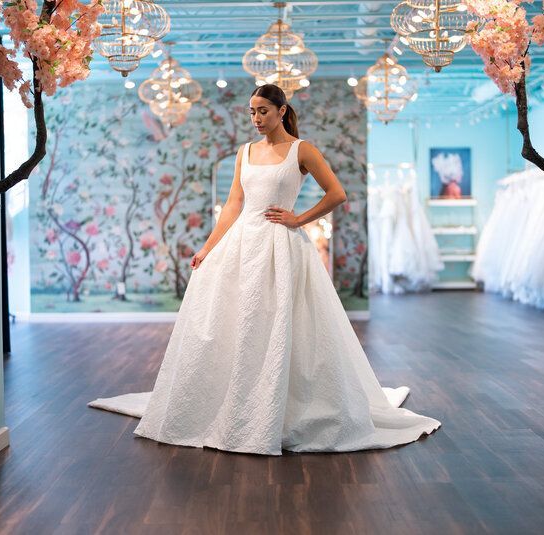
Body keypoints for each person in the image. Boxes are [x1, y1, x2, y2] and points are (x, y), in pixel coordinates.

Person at [89, 84, 441, 455]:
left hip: (282, 246)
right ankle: (237, 400)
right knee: (236, 321)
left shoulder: (302, 150)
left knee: (283, 322)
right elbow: (234, 204)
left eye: (263, 112)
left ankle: (280, 406)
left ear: (282, 110)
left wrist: (298, 219)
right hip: (244, 243)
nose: (256, 119)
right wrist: (208, 247)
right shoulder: (246, 152)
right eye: (252, 112)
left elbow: (336, 193)